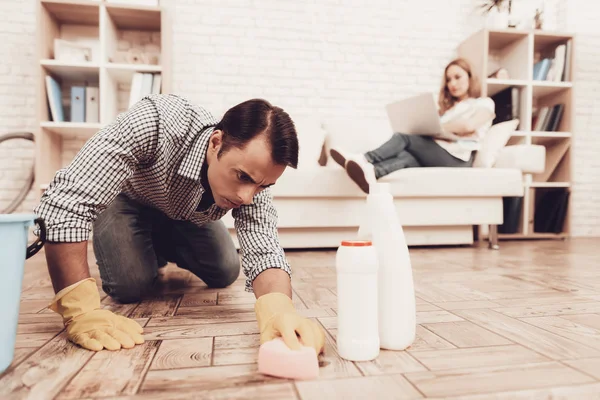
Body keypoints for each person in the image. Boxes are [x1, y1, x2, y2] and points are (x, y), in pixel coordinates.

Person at [32, 94, 326, 355]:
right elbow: (65, 203)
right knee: (130, 284)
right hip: (128, 201)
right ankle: (142, 247)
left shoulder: (254, 177)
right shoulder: (154, 122)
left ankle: (155, 244)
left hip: (183, 216)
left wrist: (279, 310)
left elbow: (263, 243)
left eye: (263, 186)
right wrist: (80, 311)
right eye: (243, 178)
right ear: (216, 143)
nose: (248, 197)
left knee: (225, 269)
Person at [329, 58, 495, 194]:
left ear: (470, 76)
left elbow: (468, 126)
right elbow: (451, 128)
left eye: (457, 77)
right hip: (442, 152)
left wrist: (437, 128)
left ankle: (364, 158)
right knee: (408, 157)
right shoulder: (448, 111)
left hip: (460, 158)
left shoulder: (484, 103)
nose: (453, 83)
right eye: (449, 80)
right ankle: (372, 174)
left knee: (403, 138)